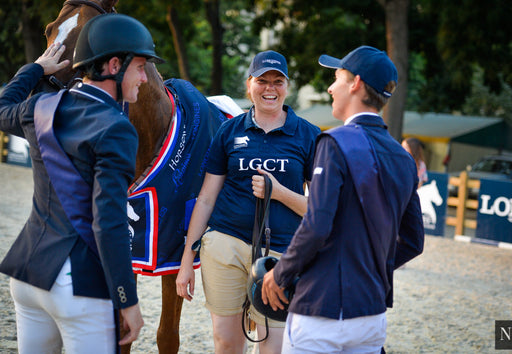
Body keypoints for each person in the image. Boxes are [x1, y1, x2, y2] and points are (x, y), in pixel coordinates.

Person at [0, 13, 164, 353]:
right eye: (140, 67)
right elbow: (109, 222)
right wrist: (127, 299)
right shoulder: (117, 129)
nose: (144, 79)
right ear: (114, 65)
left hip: (28, 274)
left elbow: (2, 107)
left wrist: (35, 68)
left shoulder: (41, 107)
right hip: (78, 285)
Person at [261, 45, 425, 353]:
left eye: (336, 77)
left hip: (320, 310)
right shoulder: (404, 159)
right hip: (372, 314)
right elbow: (414, 242)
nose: (330, 87)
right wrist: (371, 270)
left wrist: (279, 275)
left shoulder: (334, 142)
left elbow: (317, 224)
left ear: (356, 83)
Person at [176, 50, 321, 353]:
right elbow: (206, 199)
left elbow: (320, 209)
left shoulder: (308, 135)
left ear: (287, 86)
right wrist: (187, 261)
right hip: (225, 243)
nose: (270, 88)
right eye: (262, 80)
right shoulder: (229, 131)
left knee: (273, 346)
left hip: (282, 252)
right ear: (249, 85)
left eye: (277, 81)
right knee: (226, 343)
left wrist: (279, 192)